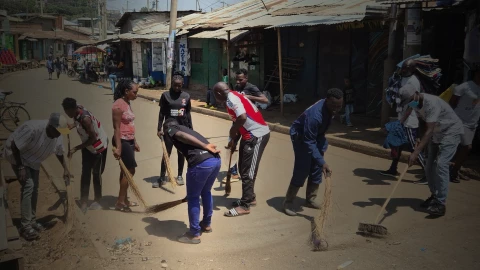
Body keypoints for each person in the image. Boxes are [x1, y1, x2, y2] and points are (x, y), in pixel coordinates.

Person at [3, 113, 71, 240]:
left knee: (35, 188)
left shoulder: (57, 135)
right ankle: (25, 226)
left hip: (34, 159)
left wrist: (65, 169)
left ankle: (32, 221)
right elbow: (15, 145)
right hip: (18, 156)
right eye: (57, 131)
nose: (58, 134)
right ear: (50, 126)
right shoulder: (33, 129)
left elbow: (59, 152)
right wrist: (20, 167)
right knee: (28, 186)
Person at [400, 85, 464, 216]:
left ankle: (441, 203)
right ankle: (435, 196)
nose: (410, 103)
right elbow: (421, 122)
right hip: (436, 133)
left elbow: (429, 130)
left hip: (450, 132)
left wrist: (416, 151)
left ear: (417, 93)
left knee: (441, 164)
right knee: (428, 165)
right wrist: (417, 136)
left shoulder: (431, 103)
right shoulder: (415, 103)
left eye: (411, 99)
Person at [213, 82, 270, 217]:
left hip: (257, 135)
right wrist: (234, 139)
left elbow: (242, 118)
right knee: (243, 168)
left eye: (215, 96)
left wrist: (233, 131)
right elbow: (237, 121)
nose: (215, 100)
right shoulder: (233, 96)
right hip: (248, 135)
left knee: (248, 171)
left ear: (220, 93)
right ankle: (250, 197)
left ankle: (245, 205)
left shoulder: (232, 99)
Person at [283, 88, 342, 216]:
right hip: (301, 136)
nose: (336, 109)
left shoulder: (330, 107)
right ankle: (288, 201)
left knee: (316, 167)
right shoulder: (315, 116)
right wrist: (322, 161)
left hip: (317, 136)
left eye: (339, 106)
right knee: (303, 168)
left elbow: (317, 135)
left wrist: (320, 161)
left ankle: (311, 199)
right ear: (327, 101)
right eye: (334, 105)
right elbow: (308, 141)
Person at [162, 118, 221, 244]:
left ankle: (194, 234)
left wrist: (204, 146)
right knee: (206, 192)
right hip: (215, 160)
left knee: (193, 198)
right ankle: (206, 224)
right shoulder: (187, 129)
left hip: (201, 164)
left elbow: (180, 135)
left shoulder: (172, 129)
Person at [62, 98, 109, 213]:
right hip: (87, 146)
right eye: (65, 111)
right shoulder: (77, 109)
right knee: (85, 173)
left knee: (96, 174)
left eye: (68, 111)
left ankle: (98, 200)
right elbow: (77, 121)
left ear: (73, 109)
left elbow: (93, 138)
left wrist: (76, 148)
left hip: (98, 146)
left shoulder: (86, 119)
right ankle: (84, 200)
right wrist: (72, 126)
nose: (67, 114)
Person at [380, 72, 427, 184]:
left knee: (414, 149)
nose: (402, 69)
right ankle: (393, 169)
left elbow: (414, 103)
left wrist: (402, 120)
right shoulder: (402, 80)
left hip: (409, 123)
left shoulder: (414, 81)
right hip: (402, 121)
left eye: (405, 67)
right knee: (397, 145)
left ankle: (427, 174)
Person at [228, 69, 269, 181]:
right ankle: (233, 170)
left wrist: (250, 97)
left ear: (246, 78)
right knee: (231, 144)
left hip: (249, 124)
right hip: (237, 122)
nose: (238, 82)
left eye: (240, 80)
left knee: (245, 149)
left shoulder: (251, 87)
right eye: (236, 79)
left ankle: (246, 171)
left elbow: (265, 100)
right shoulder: (236, 88)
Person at [154, 73, 192, 187]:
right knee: (167, 153)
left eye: (179, 86)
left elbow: (188, 113)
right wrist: (159, 128)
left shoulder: (186, 96)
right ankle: (162, 176)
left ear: (182, 84)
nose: (177, 88)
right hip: (169, 129)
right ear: (171, 84)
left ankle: (179, 176)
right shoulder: (165, 95)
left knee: (181, 152)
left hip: (182, 129)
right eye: (175, 85)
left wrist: (191, 129)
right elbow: (161, 113)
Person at [112, 80, 140, 212]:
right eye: (135, 92)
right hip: (122, 141)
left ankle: (124, 199)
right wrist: (118, 147)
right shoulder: (118, 105)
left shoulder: (127, 103)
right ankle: (120, 202)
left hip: (129, 140)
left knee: (125, 171)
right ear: (126, 91)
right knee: (130, 170)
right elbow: (116, 128)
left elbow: (129, 124)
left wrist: (134, 141)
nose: (136, 95)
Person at [449, 67, 480, 183]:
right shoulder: (464, 87)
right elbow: (452, 103)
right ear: (477, 73)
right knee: (467, 147)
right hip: (459, 121)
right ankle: (453, 171)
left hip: (472, 124)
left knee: (462, 149)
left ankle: (454, 170)